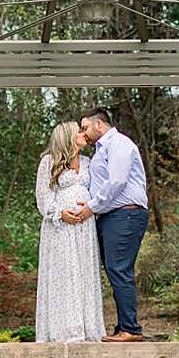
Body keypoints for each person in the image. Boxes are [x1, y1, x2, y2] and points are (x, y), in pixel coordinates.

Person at [65, 106, 148, 342]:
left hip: (126, 215)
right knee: (115, 270)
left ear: (98, 124)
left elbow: (117, 181)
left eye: (85, 128)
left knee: (119, 269)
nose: (84, 133)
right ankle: (124, 325)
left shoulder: (119, 144)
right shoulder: (101, 150)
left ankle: (130, 329)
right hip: (111, 217)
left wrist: (92, 206)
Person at [32, 122, 106, 344]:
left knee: (83, 273)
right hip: (59, 229)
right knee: (64, 275)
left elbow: (98, 191)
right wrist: (59, 212)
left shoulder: (88, 162)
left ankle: (88, 328)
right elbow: (42, 196)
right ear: (67, 137)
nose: (84, 134)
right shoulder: (49, 162)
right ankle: (63, 331)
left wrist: (90, 209)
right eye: (79, 131)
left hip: (84, 228)